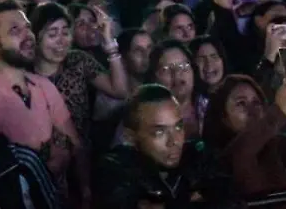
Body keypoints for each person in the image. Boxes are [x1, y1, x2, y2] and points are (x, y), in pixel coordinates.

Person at [0, 0, 86, 201]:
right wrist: (44, 167)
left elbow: (76, 143)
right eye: (15, 30)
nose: (29, 36)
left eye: (28, 28)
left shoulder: (43, 85)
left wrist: (86, 193)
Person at [95, 84, 227, 209]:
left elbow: (230, 200)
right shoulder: (114, 168)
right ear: (130, 136)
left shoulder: (198, 156)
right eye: (159, 132)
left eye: (178, 127)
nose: (174, 141)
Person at [202, 72, 286, 198]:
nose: (252, 110)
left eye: (257, 103)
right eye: (241, 103)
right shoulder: (222, 156)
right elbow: (241, 152)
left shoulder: (270, 145)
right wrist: (280, 111)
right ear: (223, 117)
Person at [30, 2, 128, 147]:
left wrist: (109, 42)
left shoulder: (78, 60)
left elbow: (120, 91)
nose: (61, 41)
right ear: (36, 38)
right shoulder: (24, 72)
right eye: (52, 34)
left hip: (82, 152)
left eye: (65, 33)